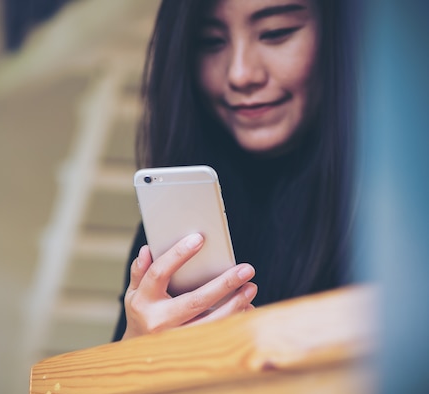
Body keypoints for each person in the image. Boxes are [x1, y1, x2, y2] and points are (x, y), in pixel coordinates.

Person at [113, 0, 356, 341]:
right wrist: (135, 349)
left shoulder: (396, 206)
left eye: (276, 33)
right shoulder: (172, 225)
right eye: (211, 41)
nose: (240, 74)